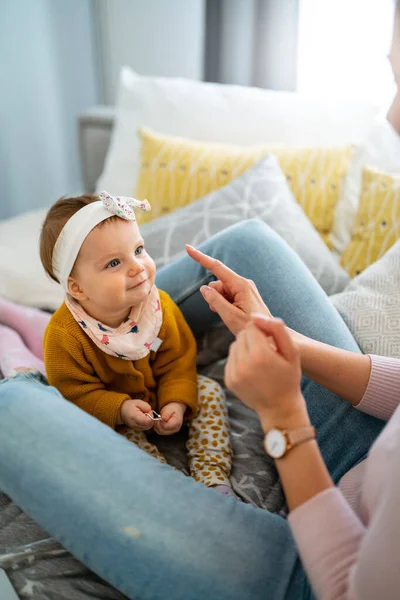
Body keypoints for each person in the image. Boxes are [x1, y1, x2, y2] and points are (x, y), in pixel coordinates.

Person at [0, 5, 399, 599]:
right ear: (75, 288)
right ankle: (56, 324)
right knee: (248, 243)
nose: (388, 109)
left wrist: (284, 419)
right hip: (370, 449)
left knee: (13, 408)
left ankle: (18, 346)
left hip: (317, 572)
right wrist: (289, 341)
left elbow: (352, 589)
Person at [8, 190, 236, 496]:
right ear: (77, 288)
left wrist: (175, 401)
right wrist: (121, 409)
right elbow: (74, 393)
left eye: (139, 250)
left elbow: (177, 360)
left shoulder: (157, 308)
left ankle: (213, 476)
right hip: (116, 415)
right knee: (110, 439)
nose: (137, 267)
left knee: (207, 390)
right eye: (114, 263)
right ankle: (162, 486)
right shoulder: (65, 335)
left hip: (161, 400)